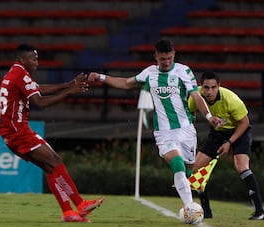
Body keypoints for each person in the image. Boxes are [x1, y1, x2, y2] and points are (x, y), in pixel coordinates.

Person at [88, 39, 221, 210]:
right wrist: (101, 77)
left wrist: (209, 117)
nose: (166, 62)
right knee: (177, 162)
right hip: (164, 132)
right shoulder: (149, 73)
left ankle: (190, 199)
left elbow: (196, 97)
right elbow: (126, 83)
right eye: (162, 59)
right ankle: (189, 206)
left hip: (186, 130)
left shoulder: (183, 71)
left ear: (174, 55)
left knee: (189, 169)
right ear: (156, 57)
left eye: (169, 58)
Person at [0, 44, 104, 223]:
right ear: (23, 60)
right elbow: (40, 102)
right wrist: (69, 92)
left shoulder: (16, 73)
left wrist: (68, 84)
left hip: (12, 132)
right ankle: (80, 204)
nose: (37, 63)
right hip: (18, 131)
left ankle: (68, 212)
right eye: (33, 59)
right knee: (56, 162)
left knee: (49, 167)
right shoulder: (20, 74)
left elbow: (40, 89)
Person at [188, 71, 264, 220]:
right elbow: (191, 114)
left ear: (219, 86)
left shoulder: (231, 99)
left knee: (241, 166)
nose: (209, 91)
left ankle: (260, 212)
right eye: (206, 87)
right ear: (201, 86)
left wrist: (230, 143)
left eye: (213, 87)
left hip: (239, 132)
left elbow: (245, 123)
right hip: (217, 133)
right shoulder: (196, 96)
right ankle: (207, 212)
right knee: (196, 169)